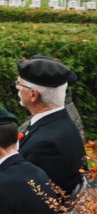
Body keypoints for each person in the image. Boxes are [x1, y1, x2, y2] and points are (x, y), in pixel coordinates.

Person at [15, 57, 87, 198]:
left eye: (20, 84)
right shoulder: (60, 121)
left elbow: (28, 195)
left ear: (33, 94)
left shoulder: (45, 145)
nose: (17, 87)